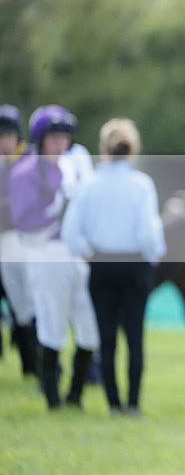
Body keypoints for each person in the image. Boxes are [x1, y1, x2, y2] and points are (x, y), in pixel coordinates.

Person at [62, 118, 166, 417]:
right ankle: (133, 405)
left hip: (101, 264)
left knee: (106, 340)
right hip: (134, 265)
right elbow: (149, 232)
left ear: (104, 148)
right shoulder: (140, 184)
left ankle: (113, 404)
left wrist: (85, 253)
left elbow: (71, 232)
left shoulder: (90, 184)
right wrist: (153, 257)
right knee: (134, 338)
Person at [8, 104, 100, 410]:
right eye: (53, 136)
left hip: (74, 254)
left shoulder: (70, 166)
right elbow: (23, 221)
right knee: (52, 327)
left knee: (88, 330)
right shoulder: (26, 171)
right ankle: (52, 399)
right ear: (40, 138)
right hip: (45, 253)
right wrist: (56, 213)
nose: (59, 142)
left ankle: (75, 396)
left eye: (64, 136)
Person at [0, 103, 37, 371]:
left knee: (27, 308)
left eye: (7, 134)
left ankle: (31, 364)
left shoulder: (32, 162)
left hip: (24, 244)